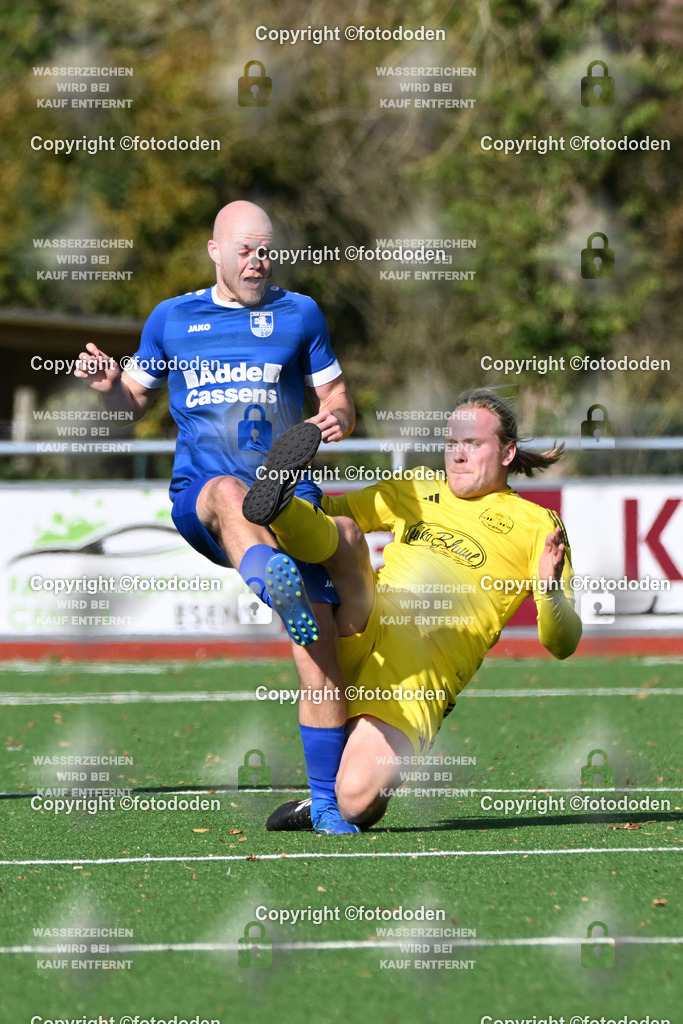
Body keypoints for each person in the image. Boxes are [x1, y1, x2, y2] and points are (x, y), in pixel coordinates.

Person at [74, 200, 360, 834]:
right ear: (215, 252)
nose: (257, 261)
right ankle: (268, 573)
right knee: (229, 490)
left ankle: (327, 806)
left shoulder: (300, 313)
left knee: (318, 659)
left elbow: (335, 395)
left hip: (291, 504)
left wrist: (338, 416)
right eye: (245, 250)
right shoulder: (171, 319)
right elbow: (134, 395)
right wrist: (106, 385)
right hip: (205, 500)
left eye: (265, 250)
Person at [242, 389, 583, 830]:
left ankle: (323, 800)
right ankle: (282, 504)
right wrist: (300, 492)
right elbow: (327, 513)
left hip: (421, 676)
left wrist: (551, 593)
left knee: (356, 803)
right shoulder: (417, 487)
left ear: (507, 452)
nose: (457, 456)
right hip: (365, 617)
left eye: (473, 444)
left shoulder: (540, 524)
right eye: (451, 444)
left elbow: (562, 644)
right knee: (343, 532)